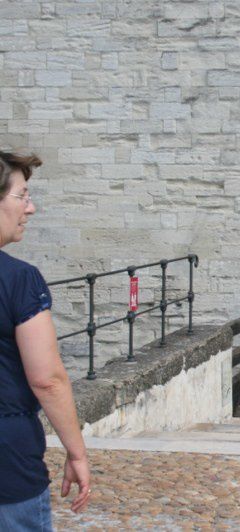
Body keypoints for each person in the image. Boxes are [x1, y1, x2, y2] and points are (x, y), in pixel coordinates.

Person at [0, 151, 91, 530]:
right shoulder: (18, 279)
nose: (30, 208)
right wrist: (77, 451)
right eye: (22, 195)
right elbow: (47, 380)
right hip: (7, 462)